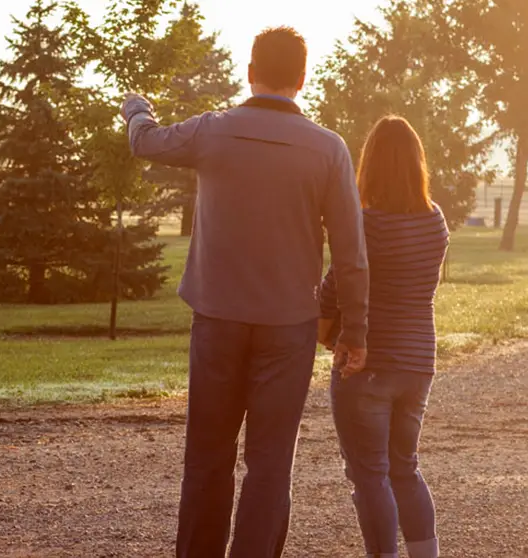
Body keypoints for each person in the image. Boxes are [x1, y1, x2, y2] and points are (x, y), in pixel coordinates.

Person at [122, 26, 369, 557]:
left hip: (217, 321)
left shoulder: (211, 132)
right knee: (270, 461)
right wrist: (356, 330)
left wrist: (136, 107)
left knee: (208, 456)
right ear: (303, 80)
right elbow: (351, 253)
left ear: (250, 72)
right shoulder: (329, 150)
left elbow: (145, 141)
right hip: (289, 328)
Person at [319, 116, 449, 558]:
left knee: (370, 474)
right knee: (404, 470)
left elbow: (335, 287)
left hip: (368, 364)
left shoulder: (364, 223)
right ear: (417, 164)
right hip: (418, 363)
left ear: (370, 164)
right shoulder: (437, 222)